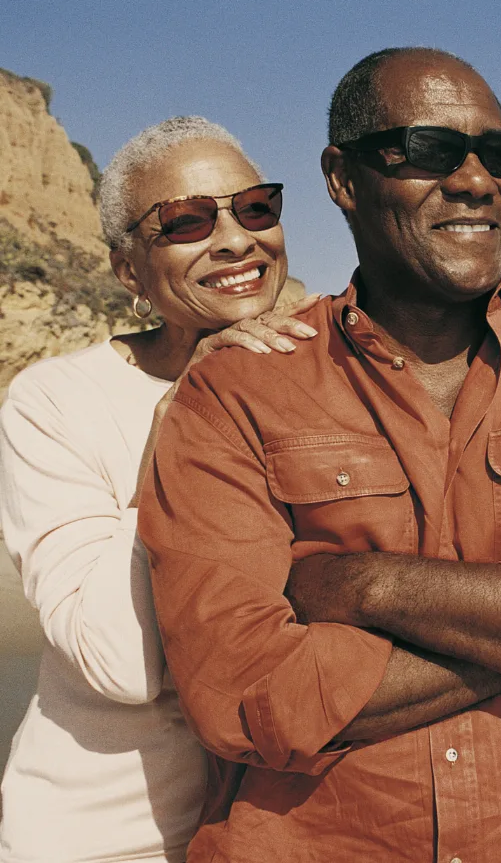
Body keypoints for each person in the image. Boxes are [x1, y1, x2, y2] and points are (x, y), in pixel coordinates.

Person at [140, 48, 501, 862]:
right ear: (342, 179)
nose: (475, 180)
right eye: (430, 149)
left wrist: (366, 586)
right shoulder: (236, 391)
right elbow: (244, 693)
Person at [0, 115, 322, 863]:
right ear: (129, 272)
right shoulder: (55, 402)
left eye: (256, 209)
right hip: (106, 841)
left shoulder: (328, 370)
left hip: (281, 834)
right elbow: (118, 664)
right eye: (186, 222)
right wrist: (185, 416)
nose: (236, 239)